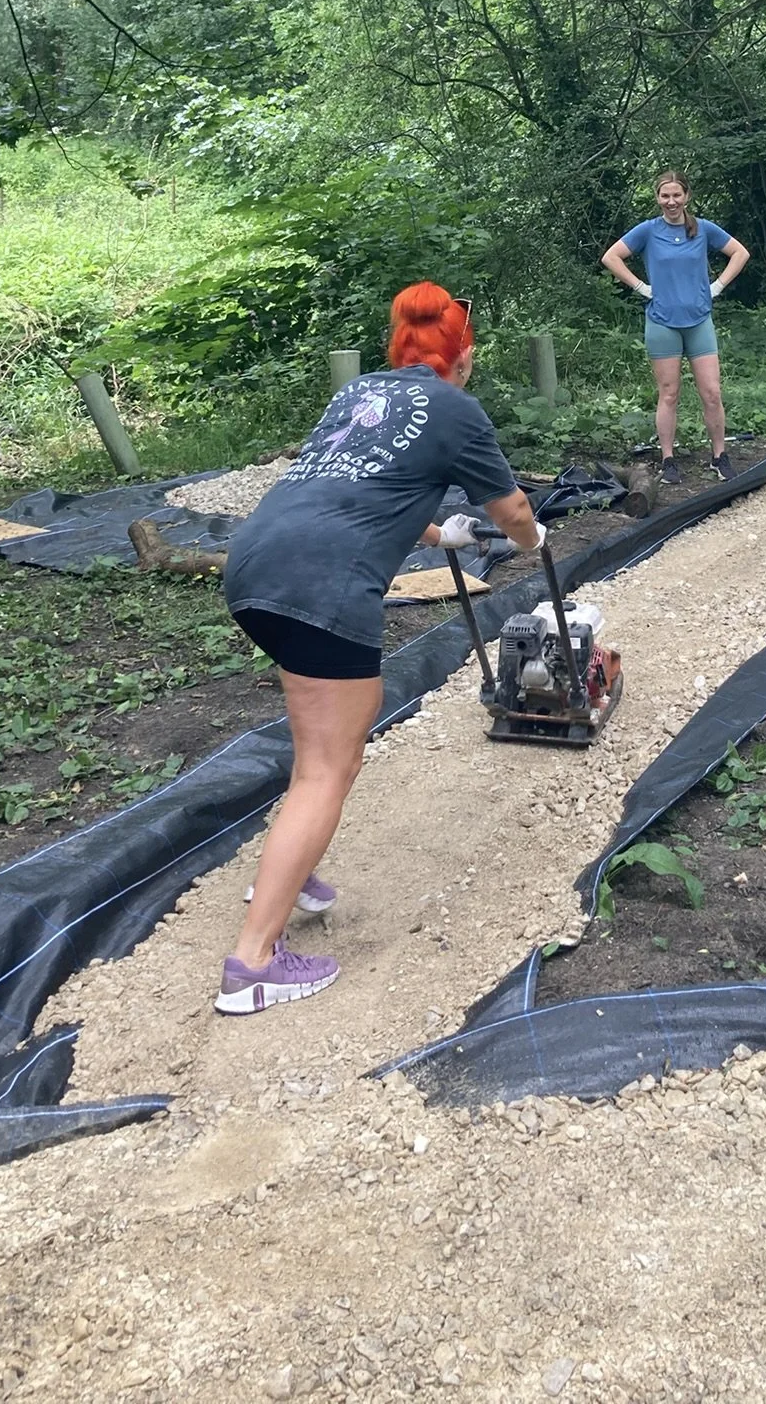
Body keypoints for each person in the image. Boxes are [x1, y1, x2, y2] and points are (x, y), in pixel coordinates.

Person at [215, 283, 542, 1015]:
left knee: (318, 752)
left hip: (256, 563)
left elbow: (350, 483)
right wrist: (531, 539)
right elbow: (514, 509)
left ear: (399, 348)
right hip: (323, 583)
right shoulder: (456, 406)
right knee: (332, 764)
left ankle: (291, 869)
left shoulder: (359, 391)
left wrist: (437, 533)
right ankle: (253, 963)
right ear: (464, 358)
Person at [601, 171, 750, 484]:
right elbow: (611, 257)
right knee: (669, 394)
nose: (671, 202)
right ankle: (668, 461)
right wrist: (641, 287)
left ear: (687, 197)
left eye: (676, 195)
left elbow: (740, 253)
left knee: (711, 392)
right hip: (662, 323)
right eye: (665, 196)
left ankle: (719, 456)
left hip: (699, 321)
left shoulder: (703, 228)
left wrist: (718, 286)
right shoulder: (648, 231)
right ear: (657, 198)